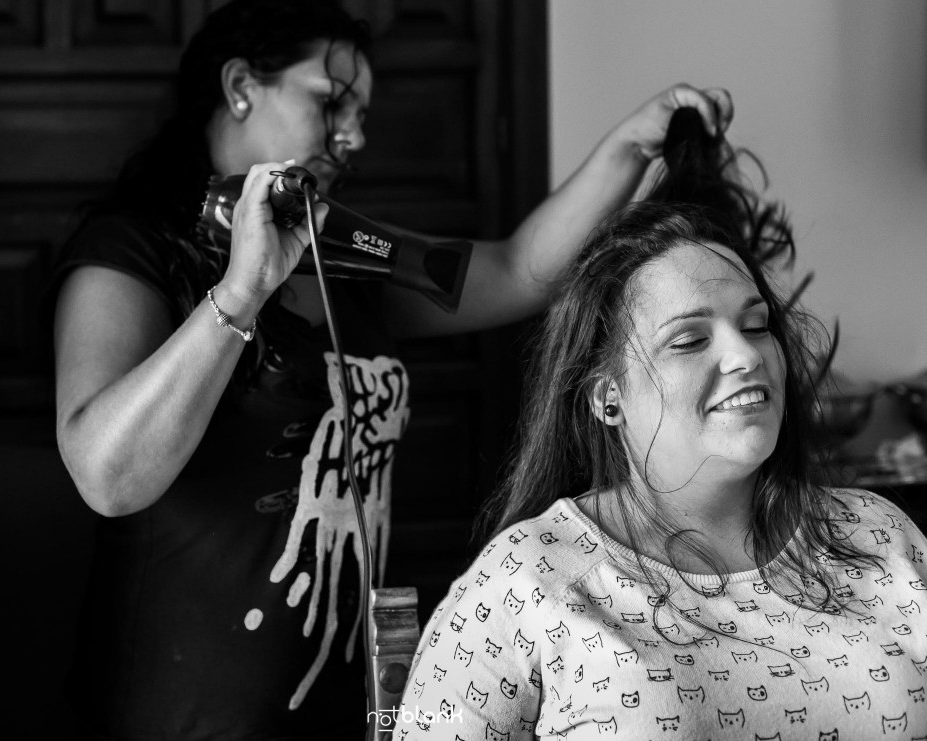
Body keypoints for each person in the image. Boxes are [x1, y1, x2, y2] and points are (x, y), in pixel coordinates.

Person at [49, 0, 733, 738]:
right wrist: (241, 294)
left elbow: (514, 270)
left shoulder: (340, 250)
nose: (354, 137)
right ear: (242, 85)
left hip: (352, 702)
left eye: (362, 114)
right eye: (331, 102)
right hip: (183, 711)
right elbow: (108, 477)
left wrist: (632, 144)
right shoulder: (131, 253)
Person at [390, 128, 927, 738]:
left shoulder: (880, 536)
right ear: (608, 397)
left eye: (756, 326)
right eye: (689, 339)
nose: (746, 355)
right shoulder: (528, 582)